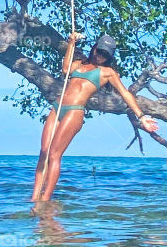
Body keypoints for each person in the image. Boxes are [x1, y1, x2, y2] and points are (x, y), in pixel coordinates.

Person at [31, 32, 159, 202]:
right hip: (58, 107)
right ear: (94, 48)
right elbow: (65, 69)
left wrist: (141, 116)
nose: (100, 56)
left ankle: (45, 200)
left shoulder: (108, 72)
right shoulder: (78, 64)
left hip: (74, 111)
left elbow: (125, 94)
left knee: (54, 155)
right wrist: (71, 43)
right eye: (99, 51)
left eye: (106, 55)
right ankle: (34, 198)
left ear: (109, 57)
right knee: (44, 152)